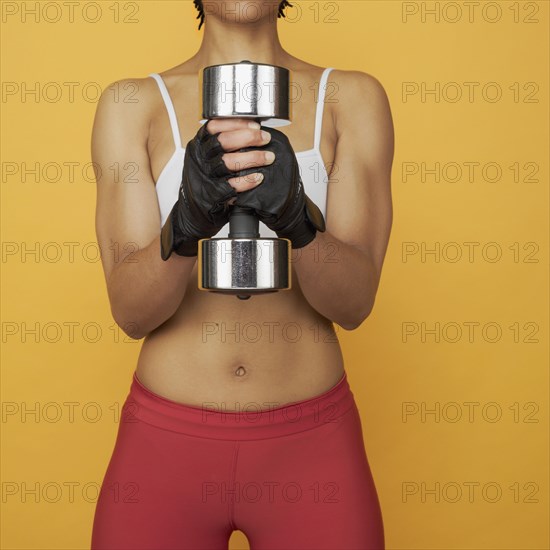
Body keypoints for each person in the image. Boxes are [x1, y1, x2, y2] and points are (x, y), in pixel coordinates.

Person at [90, 1, 394, 548]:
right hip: (165, 448)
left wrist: (300, 223)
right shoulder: (133, 104)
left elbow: (354, 304)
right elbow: (131, 313)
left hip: (311, 449)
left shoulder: (351, 99)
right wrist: (185, 225)